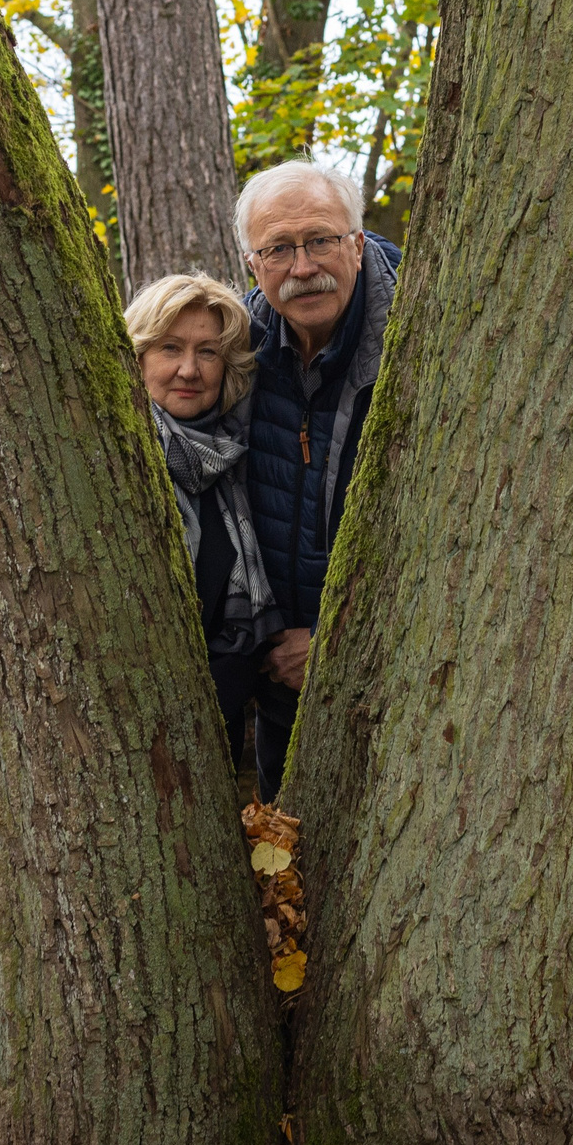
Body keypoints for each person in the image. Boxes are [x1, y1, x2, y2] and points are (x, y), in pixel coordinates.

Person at [236, 162, 400, 797]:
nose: (303, 267)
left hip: (397, 692)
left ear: (357, 245)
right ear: (254, 266)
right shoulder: (236, 350)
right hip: (276, 694)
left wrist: (335, 640)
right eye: (278, 249)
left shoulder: (419, 346)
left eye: (321, 240)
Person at [124, 272, 283, 793]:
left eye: (208, 352)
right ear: (139, 354)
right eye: (170, 348)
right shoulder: (116, 455)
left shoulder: (236, 459)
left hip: (219, 735)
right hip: (130, 742)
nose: (188, 370)